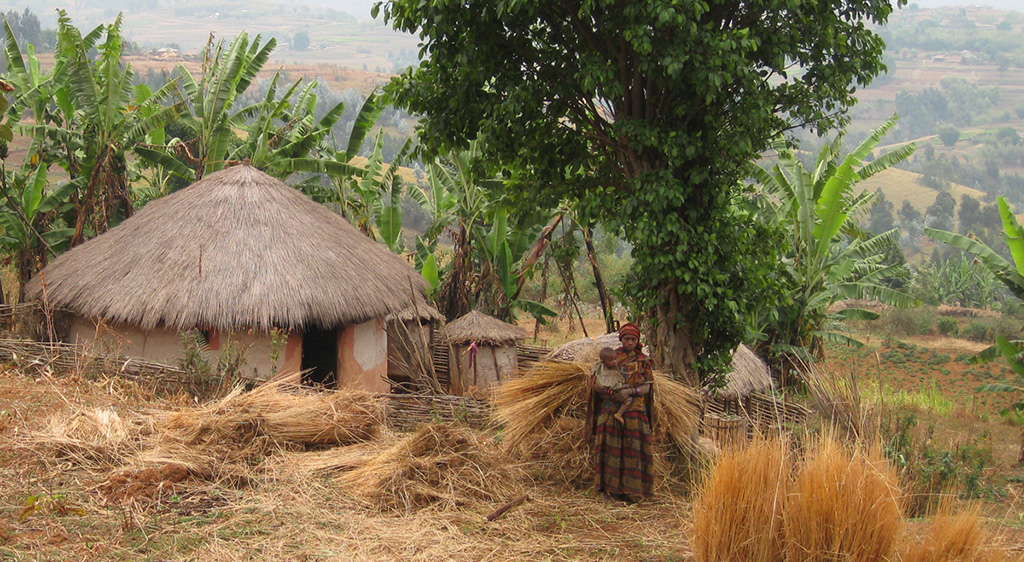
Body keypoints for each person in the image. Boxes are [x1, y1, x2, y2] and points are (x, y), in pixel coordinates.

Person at [587, 322, 654, 502]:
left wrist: (630, 391)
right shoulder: (610, 357)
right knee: (609, 447)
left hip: (634, 407)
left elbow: (647, 387)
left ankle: (634, 492)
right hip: (610, 406)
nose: (630, 342)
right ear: (621, 339)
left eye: (633, 339)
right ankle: (609, 490)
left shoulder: (643, 361)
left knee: (634, 447)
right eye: (627, 339)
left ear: (637, 340)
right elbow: (597, 381)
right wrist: (609, 392)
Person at [591, 347, 631, 424]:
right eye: (610, 360)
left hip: (614, 393)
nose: (614, 361)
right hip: (609, 395)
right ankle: (619, 414)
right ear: (603, 362)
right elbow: (598, 386)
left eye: (615, 359)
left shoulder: (617, 369)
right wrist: (624, 386)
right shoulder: (601, 373)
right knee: (628, 400)